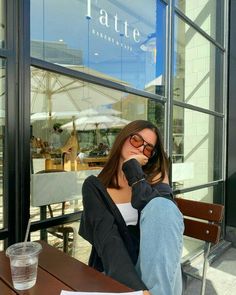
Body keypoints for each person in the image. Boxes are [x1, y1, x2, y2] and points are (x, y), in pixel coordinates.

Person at [79, 120, 184, 295]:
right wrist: (138, 291)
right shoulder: (94, 187)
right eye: (136, 140)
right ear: (123, 138)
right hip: (115, 270)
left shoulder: (155, 179)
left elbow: (165, 216)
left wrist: (133, 172)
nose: (140, 149)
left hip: (159, 272)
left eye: (148, 148)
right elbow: (107, 242)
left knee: (161, 206)